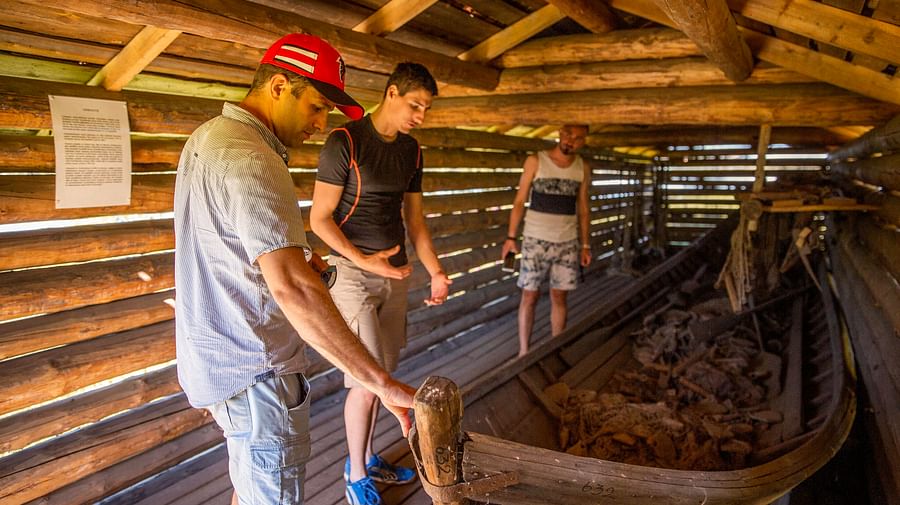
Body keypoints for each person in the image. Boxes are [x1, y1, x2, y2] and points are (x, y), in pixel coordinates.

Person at [174, 33, 416, 505]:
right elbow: (293, 291)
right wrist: (380, 382)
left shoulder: (207, 139)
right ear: (280, 86)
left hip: (217, 362)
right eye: (317, 107)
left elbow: (230, 250)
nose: (321, 123)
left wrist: (300, 263)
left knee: (250, 489)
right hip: (256, 371)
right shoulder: (251, 157)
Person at [310, 62, 451, 505]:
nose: (420, 115)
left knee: (382, 377)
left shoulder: (411, 150)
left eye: (426, 108)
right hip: (352, 274)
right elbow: (319, 219)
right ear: (391, 93)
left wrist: (436, 270)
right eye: (415, 105)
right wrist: (363, 259)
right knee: (366, 380)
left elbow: (416, 221)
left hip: (396, 275)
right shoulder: (345, 142)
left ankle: (368, 457)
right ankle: (354, 476)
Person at [500, 124, 592, 357]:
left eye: (578, 138)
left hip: (567, 241)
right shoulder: (536, 161)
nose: (571, 140)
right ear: (560, 132)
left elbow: (582, 208)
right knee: (529, 294)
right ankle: (524, 351)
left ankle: (555, 347)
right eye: (568, 134)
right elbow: (520, 201)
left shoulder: (582, 167)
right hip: (535, 239)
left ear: (583, 141)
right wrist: (511, 238)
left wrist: (585, 244)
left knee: (559, 295)